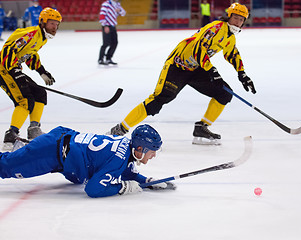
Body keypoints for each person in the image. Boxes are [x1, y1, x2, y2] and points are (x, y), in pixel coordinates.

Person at [107, 3, 256, 145]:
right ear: (228, 16)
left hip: (196, 69)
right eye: (235, 17)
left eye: (241, 19)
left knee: (224, 93)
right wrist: (212, 70)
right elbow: (198, 49)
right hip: (177, 67)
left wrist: (242, 74)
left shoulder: (230, 37)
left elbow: (232, 54)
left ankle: (202, 127)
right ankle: (120, 129)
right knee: (157, 101)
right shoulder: (216, 28)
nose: (238, 22)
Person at [0, 124, 176, 198]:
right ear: (140, 149)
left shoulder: (125, 146)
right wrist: (123, 188)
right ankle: (27, 152)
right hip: (51, 151)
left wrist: (147, 181)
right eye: (152, 152)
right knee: (5, 167)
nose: (153, 156)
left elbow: (125, 170)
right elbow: (93, 189)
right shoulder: (119, 159)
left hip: (64, 147)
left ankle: (26, 151)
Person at [0, 7, 61, 151]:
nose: (55, 27)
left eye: (57, 24)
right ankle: (11, 135)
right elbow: (8, 49)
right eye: (52, 23)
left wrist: (41, 71)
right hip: (4, 70)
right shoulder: (31, 34)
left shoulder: (42, 37)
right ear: (43, 22)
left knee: (40, 93)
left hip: (13, 69)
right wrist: (16, 73)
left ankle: (34, 129)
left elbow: (30, 54)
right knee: (24, 100)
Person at [98, 0, 126, 65]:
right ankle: (100, 59)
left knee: (114, 43)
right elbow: (102, 15)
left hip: (113, 26)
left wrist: (120, 11)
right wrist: (105, 25)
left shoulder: (117, 4)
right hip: (107, 25)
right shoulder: (106, 4)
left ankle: (108, 58)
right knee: (106, 43)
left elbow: (123, 13)